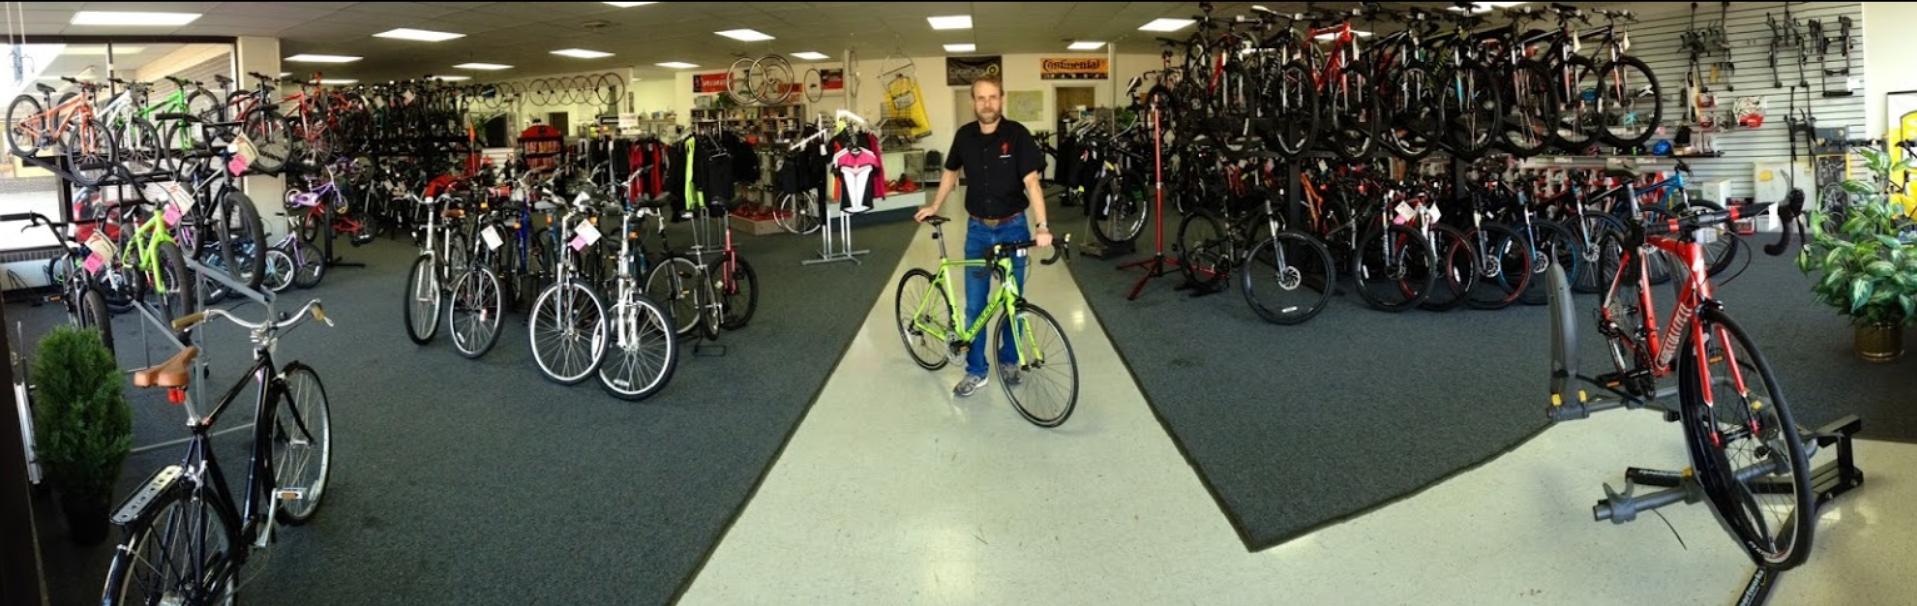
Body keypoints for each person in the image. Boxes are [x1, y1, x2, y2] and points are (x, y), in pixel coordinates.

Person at [914, 75, 1054, 397]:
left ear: (1001, 99)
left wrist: (1042, 226)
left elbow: (1032, 183)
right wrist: (934, 203)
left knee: (1013, 301)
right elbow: (950, 172)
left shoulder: (1017, 135)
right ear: (972, 101)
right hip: (977, 231)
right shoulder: (964, 136)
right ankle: (976, 370)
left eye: (993, 97)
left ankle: (1009, 359)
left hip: (1014, 228)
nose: (987, 103)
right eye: (981, 98)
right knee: (975, 306)